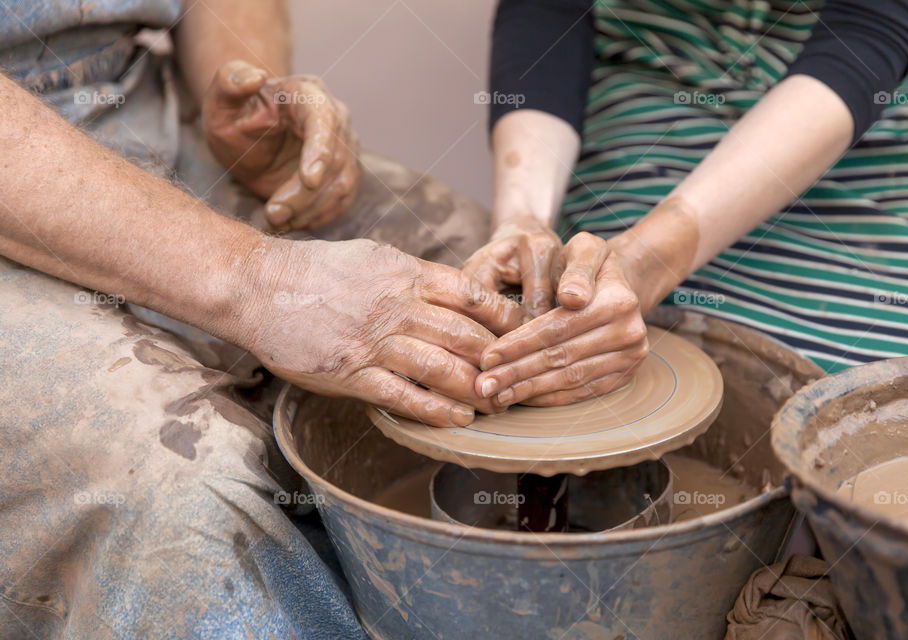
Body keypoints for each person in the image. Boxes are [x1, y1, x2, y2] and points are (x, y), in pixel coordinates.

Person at [0, 1, 524, 637]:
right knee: (184, 487)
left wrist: (247, 89)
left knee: (480, 283)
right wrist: (258, 281)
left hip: (131, 99)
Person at [465, 0, 908, 410]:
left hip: (889, 91)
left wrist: (646, 260)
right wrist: (522, 217)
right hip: (663, 54)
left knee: (893, 394)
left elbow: (869, 32)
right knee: (580, 324)